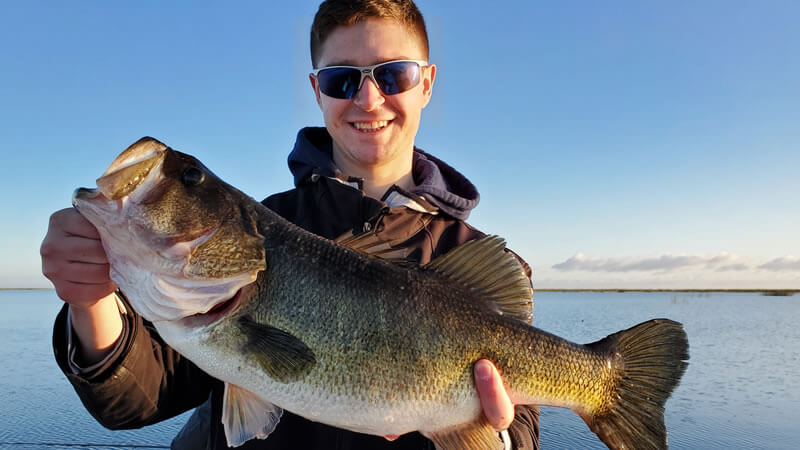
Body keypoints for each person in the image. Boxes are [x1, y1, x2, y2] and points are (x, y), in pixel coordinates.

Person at [41, 1, 540, 448]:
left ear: (426, 83)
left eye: (393, 76)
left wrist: (493, 439)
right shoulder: (268, 224)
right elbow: (140, 398)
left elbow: (521, 431)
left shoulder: (471, 262)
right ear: (316, 91)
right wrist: (91, 301)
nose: (368, 99)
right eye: (342, 80)